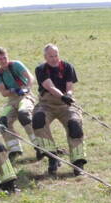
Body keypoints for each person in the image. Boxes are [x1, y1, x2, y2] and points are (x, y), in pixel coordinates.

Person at [33, 44, 86, 176]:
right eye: (50, 56)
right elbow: (49, 87)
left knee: (75, 125)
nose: (54, 58)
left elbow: (69, 86)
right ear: (45, 57)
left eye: (56, 55)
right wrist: (62, 96)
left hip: (65, 105)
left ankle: (78, 162)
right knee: (38, 120)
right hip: (47, 104)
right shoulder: (41, 69)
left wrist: (68, 95)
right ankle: (52, 157)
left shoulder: (67, 67)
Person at [0, 47, 37, 162]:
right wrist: (12, 90)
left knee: (24, 114)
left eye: (4, 58)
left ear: (8, 56)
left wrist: (26, 89)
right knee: (2, 121)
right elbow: (3, 93)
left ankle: (39, 145)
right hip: (12, 100)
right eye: (0, 59)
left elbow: (30, 78)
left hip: (25, 96)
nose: (3, 61)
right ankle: (14, 149)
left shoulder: (16, 65)